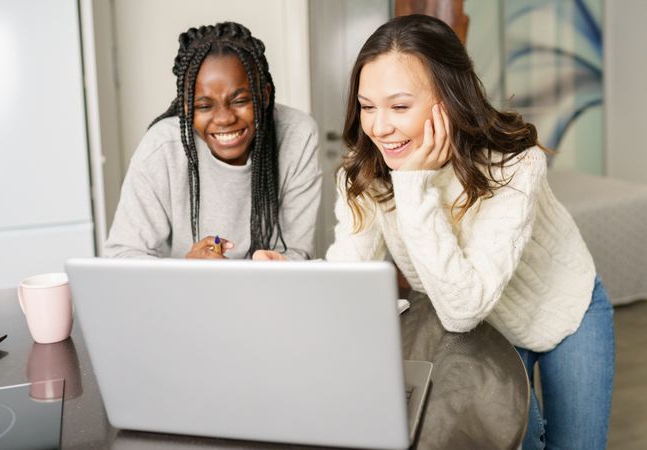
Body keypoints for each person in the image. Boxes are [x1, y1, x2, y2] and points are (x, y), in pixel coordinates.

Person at [254, 14, 614, 450]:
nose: (379, 127)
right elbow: (352, 274)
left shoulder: (515, 165)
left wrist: (413, 184)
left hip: (564, 310)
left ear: (448, 97)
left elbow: (463, 306)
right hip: (486, 328)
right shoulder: (366, 174)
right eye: (368, 106)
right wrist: (295, 277)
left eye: (399, 106)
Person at [104, 22, 321, 260]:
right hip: (183, 294)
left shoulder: (298, 135)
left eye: (240, 101)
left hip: (267, 292)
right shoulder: (162, 147)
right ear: (187, 107)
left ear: (265, 95)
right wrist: (187, 270)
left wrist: (271, 266)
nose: (225, 119)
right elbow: (122, 254)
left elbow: (298, 252)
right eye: (204, 106)